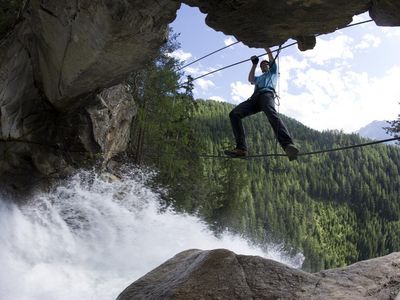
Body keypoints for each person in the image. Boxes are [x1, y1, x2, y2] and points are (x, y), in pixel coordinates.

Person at [225, 48, 299, 161]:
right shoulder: (259, 78)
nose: (264, 65)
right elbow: (250, 79)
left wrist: (266, 47)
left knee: (271, 113)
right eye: (262, 65)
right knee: (234, 114)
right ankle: (241, 149)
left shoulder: (273, 72)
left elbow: (271, 57)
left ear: (269, 65)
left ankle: (288, 145)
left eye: (266, 64)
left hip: (267, 95)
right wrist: (254, 65)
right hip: (255, 98)